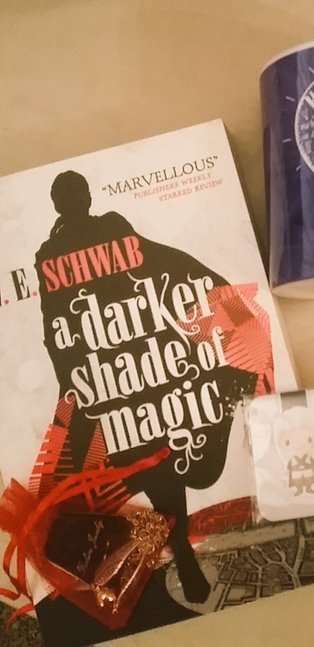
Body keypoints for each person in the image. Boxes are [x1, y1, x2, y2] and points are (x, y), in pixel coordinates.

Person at [34, 171, 259, 603]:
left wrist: (212, 294)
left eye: (76, 195)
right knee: (98, 480)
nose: (75, 203)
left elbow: (160, 266)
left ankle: (177, 557)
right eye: (69, 197)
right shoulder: (52, 253)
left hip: (138, 365)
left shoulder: (105, 230)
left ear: (83, 198)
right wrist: (73, 380)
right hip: (98, 377)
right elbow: (54, 327)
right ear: (63, 203)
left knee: (158, 463)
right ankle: (130, 572)